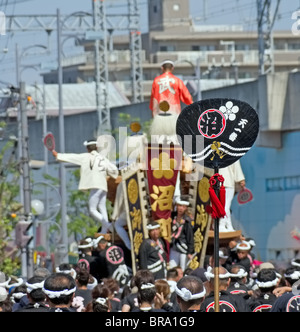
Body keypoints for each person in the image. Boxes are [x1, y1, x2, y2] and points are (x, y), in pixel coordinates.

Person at [52, 139, 118, 234]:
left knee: (92, 209)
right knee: (102, 206)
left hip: (95, 185)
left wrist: (58, 155)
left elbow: (72, 157)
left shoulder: (85, 157)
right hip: (103, 186)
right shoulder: (103, 158)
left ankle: (109, 226)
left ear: (87, 149)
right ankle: (104, 231)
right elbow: (114, 169)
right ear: (97, 148)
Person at [218, 160, 246, 232]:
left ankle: (228, 225)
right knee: (226, 205)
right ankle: (221, 224)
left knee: (222, 204)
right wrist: (241, 179)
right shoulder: (231, 150)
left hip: (215, 181)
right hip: (227, 181)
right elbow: (236, 165)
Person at [169, 197, 194, 271]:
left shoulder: (187, 221)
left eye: (183, 206)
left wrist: (190, 252)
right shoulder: (172, 216)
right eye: (179, 205)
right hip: (173, 247)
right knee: (172, 268)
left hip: (183, 248)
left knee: (183, 269)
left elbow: (190, 237)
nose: (181, 208)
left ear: (186, 208)